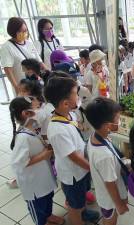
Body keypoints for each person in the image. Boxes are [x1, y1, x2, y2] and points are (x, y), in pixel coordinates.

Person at [44, 77, 100, 224]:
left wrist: (78, 128)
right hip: (73, 174)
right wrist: (92, 169)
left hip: (80, 170)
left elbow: (74, 131)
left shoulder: (69, 114)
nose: (79, 98)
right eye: (76, 94)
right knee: (74, 205)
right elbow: (73, 157)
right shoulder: (57, 130)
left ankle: (84, 212)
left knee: (81, 198)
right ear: (64, 102)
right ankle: (78, 219)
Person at [9, 96, 65, 225]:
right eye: (38, 107)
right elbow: (17, 163)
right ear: (26, 113)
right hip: (33, 185)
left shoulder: (33, 129)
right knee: (38, 207)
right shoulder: (23, 138)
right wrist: (43, 156)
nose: (42, 110)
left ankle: (48, 216)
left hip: (42, 179)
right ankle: (42, 221)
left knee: (47, 199)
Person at [85, 97, 129, 225]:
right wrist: (119, 205)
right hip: (110, 200)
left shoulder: (95, 136)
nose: (119, 122)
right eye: (118, 119)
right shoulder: (105, 156)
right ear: (107, 126)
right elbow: (110, 184)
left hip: (106, 194)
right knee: (110, 220)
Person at [0, 17, 47, 96]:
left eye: (25, 30)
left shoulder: (29, 43)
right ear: (13, 31)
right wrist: (16, 87)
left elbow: (39, 61)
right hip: (23, 87)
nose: (24, 33)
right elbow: (7, 69)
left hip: (35, 85)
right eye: (21, 31)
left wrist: (49, 73)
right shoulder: (7, 47)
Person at [53, 62, 94, 141]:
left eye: (75, 78)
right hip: (71, 137)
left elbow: (91, 109)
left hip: (88, 133)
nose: (75, 82)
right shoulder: (56, 100)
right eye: (71, 80)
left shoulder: (83, 91)